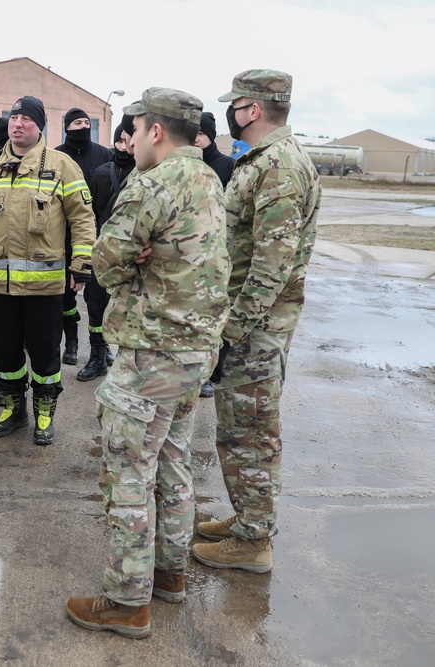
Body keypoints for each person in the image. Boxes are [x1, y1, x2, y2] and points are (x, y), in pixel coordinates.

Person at [65, 87, 230, 638]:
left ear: (154, 131)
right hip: (194, 353)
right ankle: (170, 574)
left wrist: (129, 263)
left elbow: (104, 263)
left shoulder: (153, 183)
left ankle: (126, 601)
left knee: (130, 471)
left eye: (134, 129)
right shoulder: (208, 176)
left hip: (152, 353)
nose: (130, 140)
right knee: (174, 464)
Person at [192, 70, 321, 574]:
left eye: (236, 105)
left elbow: (272, 265)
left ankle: (255, 540)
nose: (230, 114)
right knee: (238, 429)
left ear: (252, 109)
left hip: (255, 328)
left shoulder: (281, 166)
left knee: (253, 432)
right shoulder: (265, 162)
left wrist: (234, 330)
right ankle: (249, 519)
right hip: (248, 323)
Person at [0, 96, 95, 446]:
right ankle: (14, 409)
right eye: (13, 118)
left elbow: (82, 219)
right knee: (4, 354)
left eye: (26, 119)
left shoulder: (62, 166)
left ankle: (45, 413)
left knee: (46, 354)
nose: (17, 124)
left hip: (45, 288)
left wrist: (81, 266)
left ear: (39, 126)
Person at [79, 118, 137, 382]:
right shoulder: (101, 172)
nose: (123, 146)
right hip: (102, 250)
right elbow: (89, 214)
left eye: (127, 140)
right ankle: (97, 356)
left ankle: (129, 361)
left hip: (133, 254)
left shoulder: (145, 172)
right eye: (119, 140)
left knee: (130, 308)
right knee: (96, 305)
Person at [56, 108, 114, 367]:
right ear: (67, 127)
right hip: (61, 237)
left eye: (86, 123)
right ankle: (71, 342)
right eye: (77, 123)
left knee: (97, 296)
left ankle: (100, 348)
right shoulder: (56, 156)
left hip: (97, 238)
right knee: (66, 294)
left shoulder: (104, 155)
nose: (82, 127)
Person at [195, 110, 236, 398]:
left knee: (216, 319)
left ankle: (212, 373)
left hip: (219, 253)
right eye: (192, 133)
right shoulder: (186, 167)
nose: (195, 139)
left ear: (210, 135)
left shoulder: (228, 166)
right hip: (190, 255)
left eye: (201, 133)